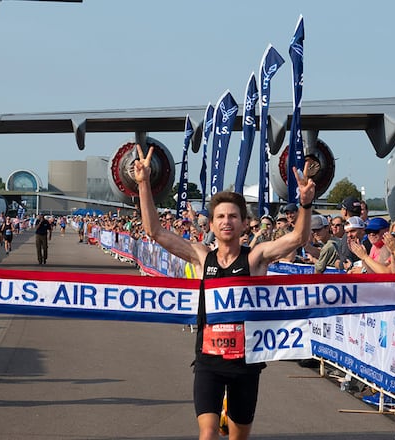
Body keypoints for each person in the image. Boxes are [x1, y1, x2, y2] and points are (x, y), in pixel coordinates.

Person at [134, 144, 316, 440]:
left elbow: (298, 237)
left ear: (244, 223)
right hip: (209, 360)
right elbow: (155, 231)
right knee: (207, 435)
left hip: (246, 364)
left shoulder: (255, 258)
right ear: (212, 224)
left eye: (233, 216)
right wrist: (143, 184)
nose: (226, 221)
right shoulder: (202, 256)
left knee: (237, 437)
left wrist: (306, 205)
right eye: (220, 217)